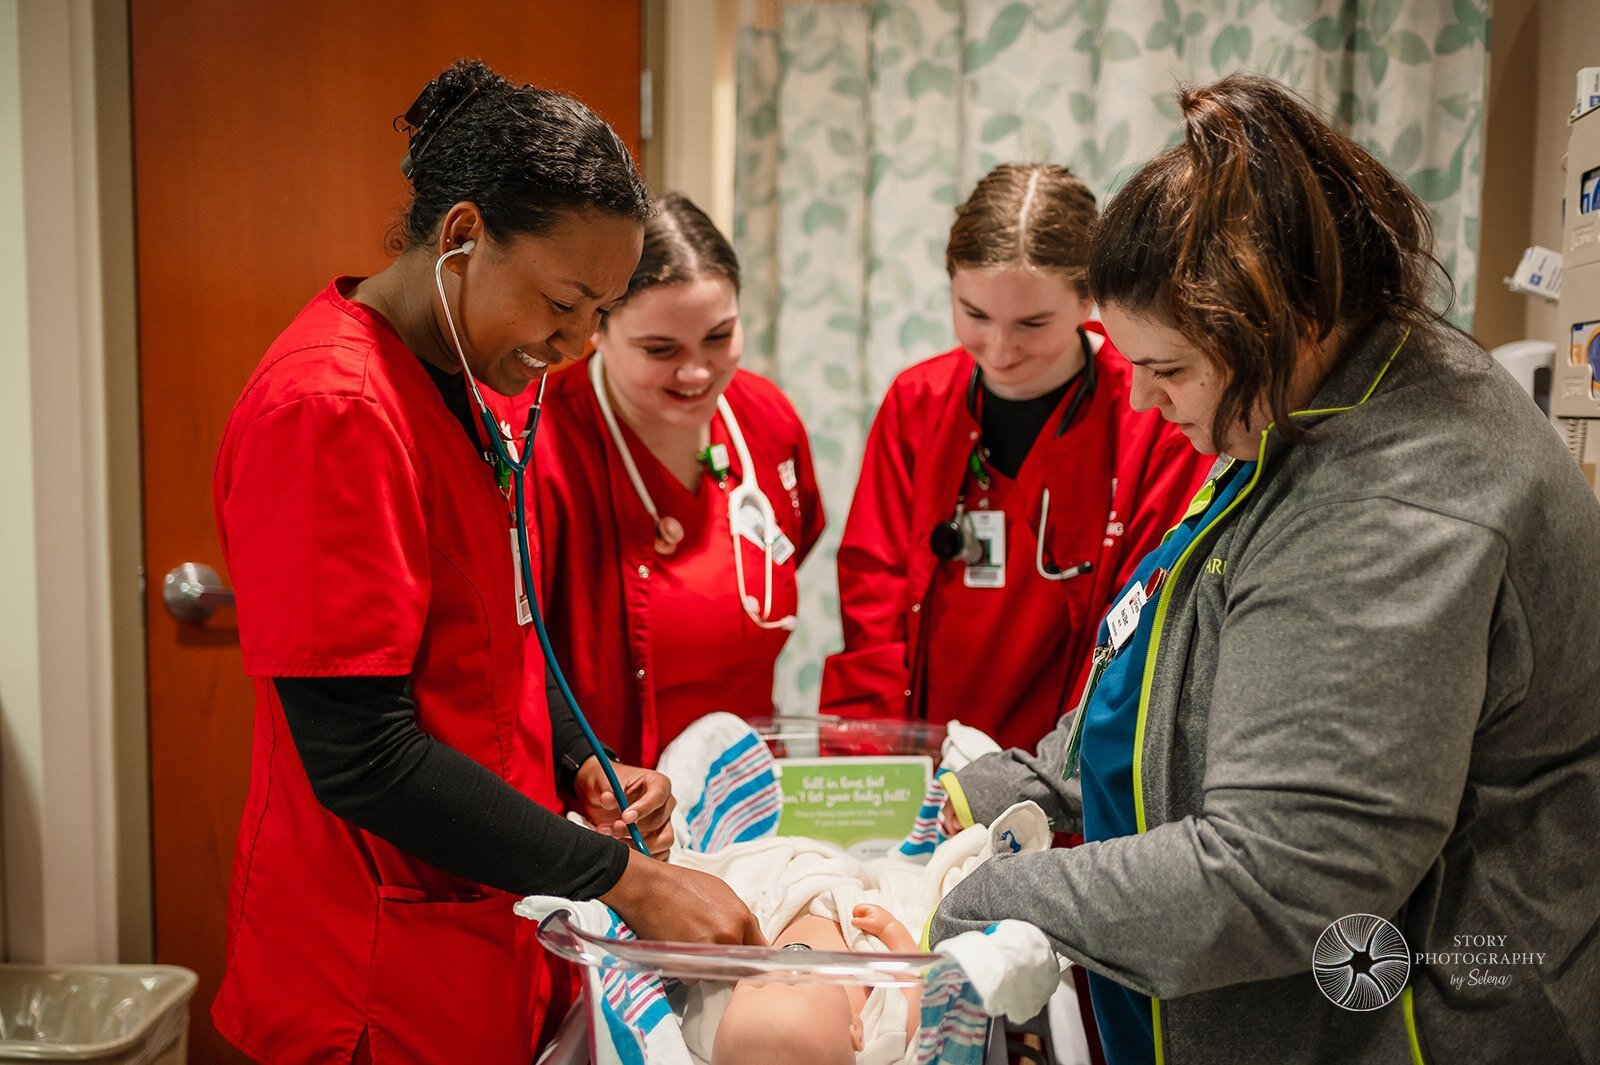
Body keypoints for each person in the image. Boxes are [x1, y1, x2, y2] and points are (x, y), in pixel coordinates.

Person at [930, 73, 1600, 1065]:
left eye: (1166, 371)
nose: (1145, 403)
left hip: (1425, 1019)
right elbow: (1188, 645)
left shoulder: (1390, 505)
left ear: (1288, 320)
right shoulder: (1314, 394)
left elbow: (1279, 873)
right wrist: (1024, 783)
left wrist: (980, 896)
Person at [211, 60, 761, 1065]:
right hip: (369, 970)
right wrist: (625, 879)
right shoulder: (331, 410)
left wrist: (581, 759)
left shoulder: (474, 383)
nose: (576, 342)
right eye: (563, 301)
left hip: (478, 935)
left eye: (599, 312)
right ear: (462, 237)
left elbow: (496, 632)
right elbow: (362, 755)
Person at [819, 163, 1211, 750]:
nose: (1000, 351)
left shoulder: (1151, 415)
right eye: (975, 315)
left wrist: (1056, 777)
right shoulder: (918, 403)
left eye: (1032, 323)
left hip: (1066, 763)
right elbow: (873, 599)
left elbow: (1141, 625)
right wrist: (875, 765)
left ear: (1090, 298)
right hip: (921, 760)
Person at [522, 192, 825, 766]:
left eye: (719, 336)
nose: (696, 372)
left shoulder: (767, 420)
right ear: (595, 328)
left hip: (748, 784)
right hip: (607, 790)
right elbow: (519, 660)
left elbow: (793, 545)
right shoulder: (541, 446)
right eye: (660, 349)